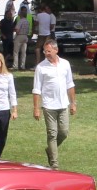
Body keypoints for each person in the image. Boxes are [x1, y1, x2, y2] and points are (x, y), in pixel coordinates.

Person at [31, 37, 76, 168]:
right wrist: (36, 108)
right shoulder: (41, 67)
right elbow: (36, 89)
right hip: (49, 105)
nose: (46, 53)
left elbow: (70, 84)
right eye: (45, 51)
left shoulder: (65, 64)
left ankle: (50, 149)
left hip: (63, 104)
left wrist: (73, 103)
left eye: (48, 51)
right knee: (52, 134)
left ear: (56, 50)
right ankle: (54, 165)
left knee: (64, 132)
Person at [14, 4, 32, 69]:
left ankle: (15, 66)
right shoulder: (27, 21)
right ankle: (22, 65)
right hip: (25, 36)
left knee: (16, 52)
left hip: (19, 36)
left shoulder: (20, 21)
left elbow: (17, 29)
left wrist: (16, 32)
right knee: (23, 52)